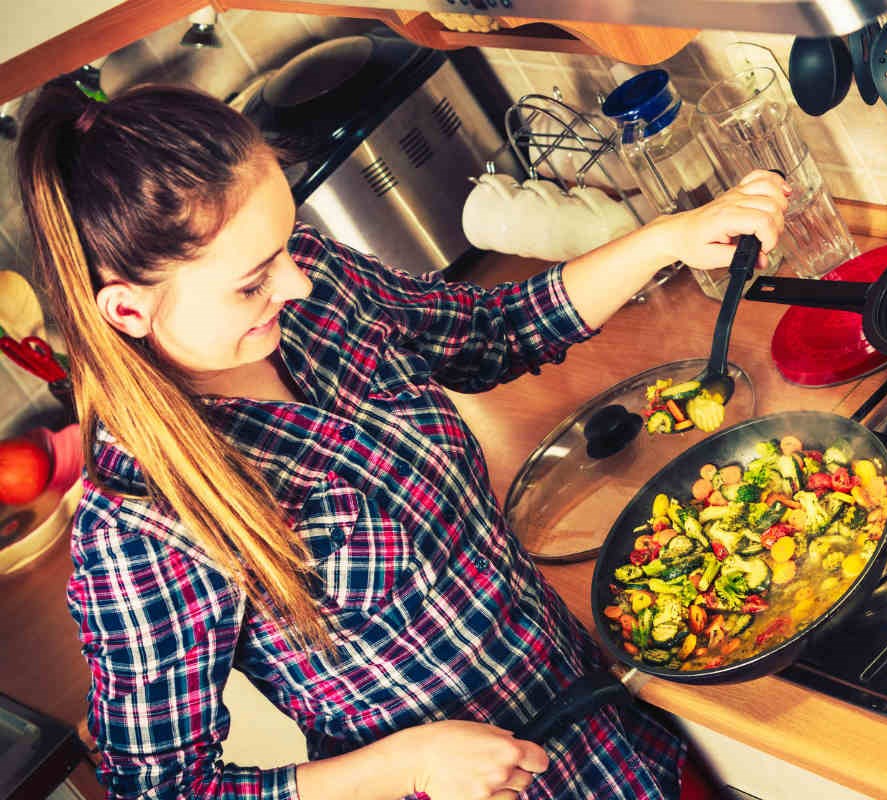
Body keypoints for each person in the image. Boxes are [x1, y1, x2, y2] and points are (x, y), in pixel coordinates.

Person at [16, 80, 788, 800]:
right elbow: (166, 790)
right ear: (126, 312)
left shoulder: (313, 292)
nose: (297, 284)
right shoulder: (141, 524)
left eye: (286, 245)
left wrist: (667, 239)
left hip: (613, 731)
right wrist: (405, 762)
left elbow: (491, 332)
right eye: (251, 282)